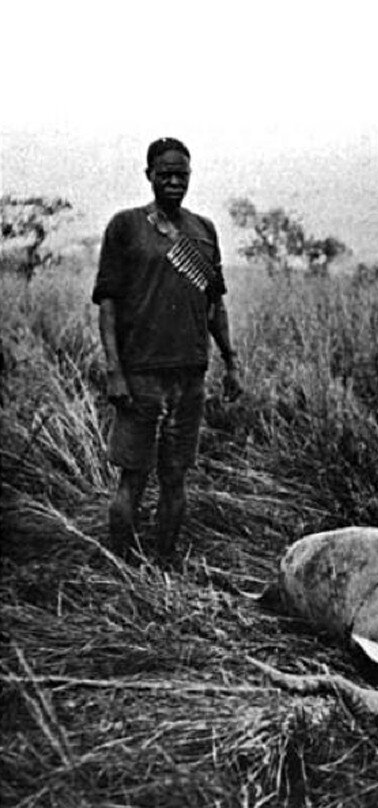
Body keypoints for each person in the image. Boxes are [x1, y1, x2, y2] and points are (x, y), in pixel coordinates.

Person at [92, 137, 241, 561]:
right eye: (165, 174)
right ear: (149, 176)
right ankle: (122, 570)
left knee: (175, 477)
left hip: (190, 373)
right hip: (141, 374)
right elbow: (108, 304)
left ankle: (164, 570)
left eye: (182, 175)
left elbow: (215, 304)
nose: (174, 182)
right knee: (133, 479)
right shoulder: (126, 226)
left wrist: (231, 361)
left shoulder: (204, 230)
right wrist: (115, 371)